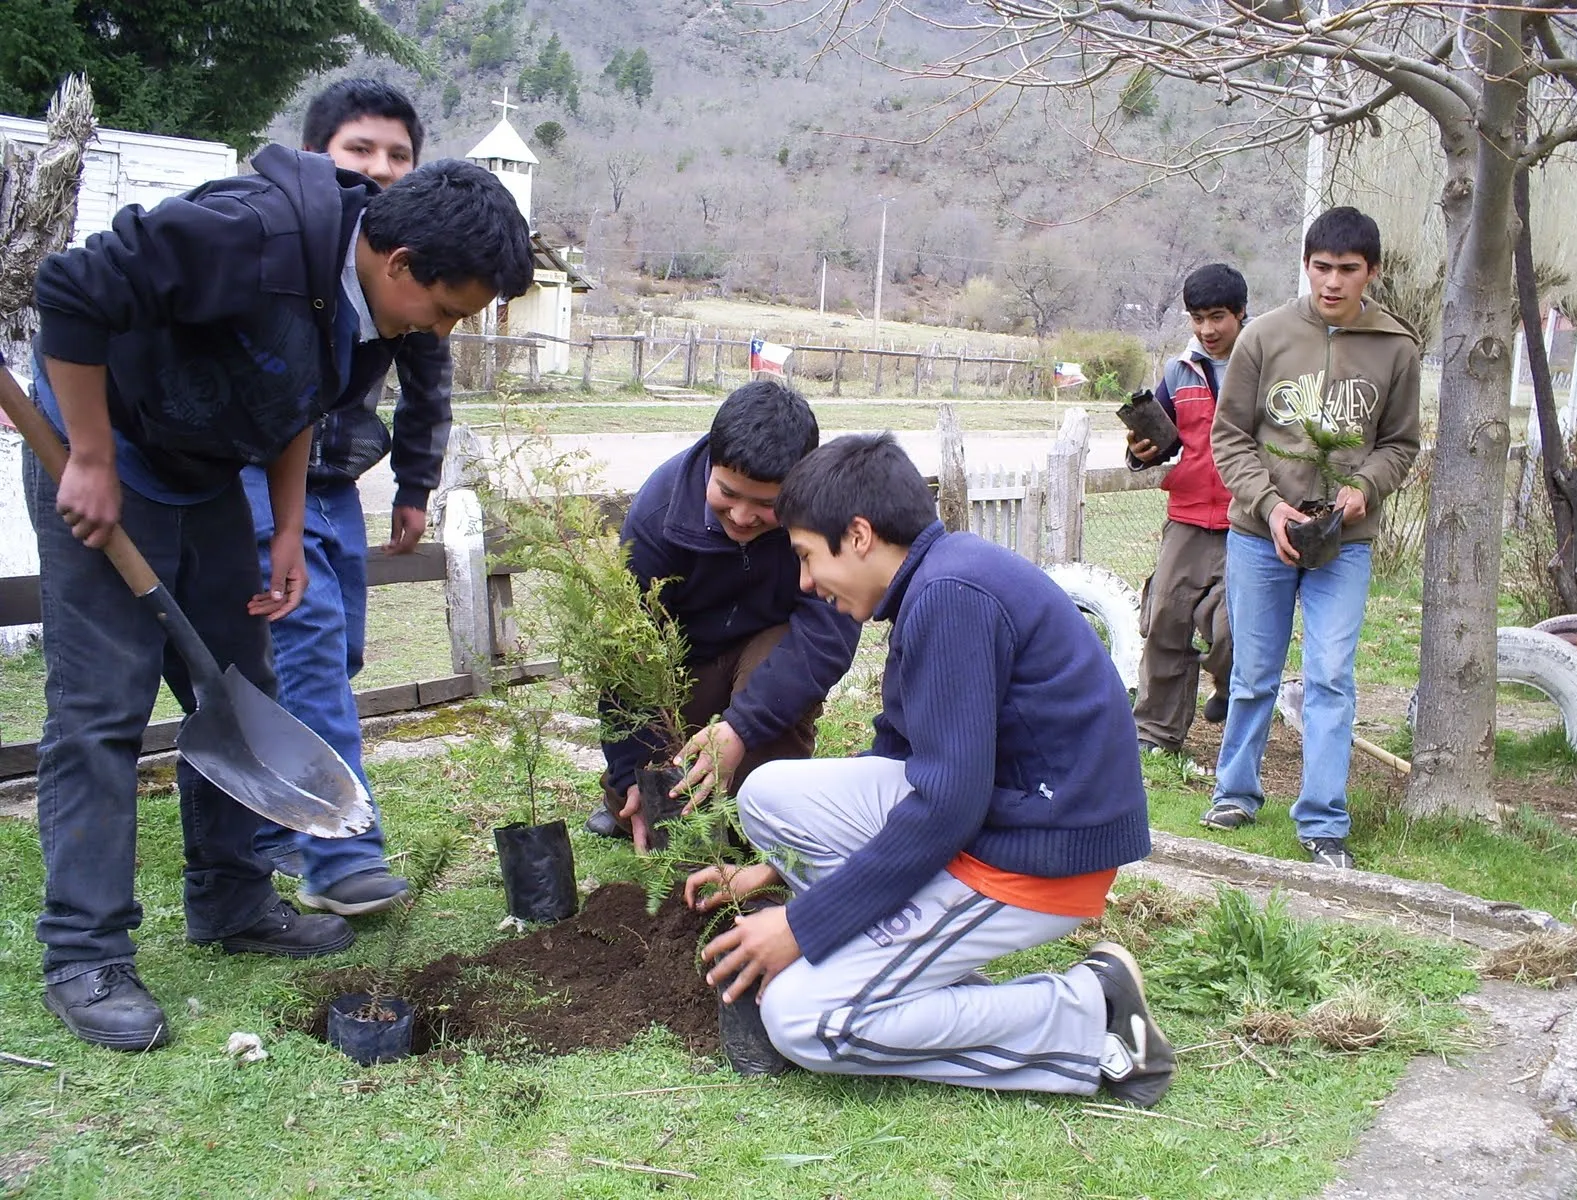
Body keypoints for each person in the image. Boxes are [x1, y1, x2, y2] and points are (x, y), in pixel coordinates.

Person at [26, 148, 533, 1050]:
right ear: (402, 263)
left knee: (236, 688)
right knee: (103, 708)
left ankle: (229, 899)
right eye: (447, 310)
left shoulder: (369, 303)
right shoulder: (246, 234)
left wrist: (290, 525)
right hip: (107, 455)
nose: (443, 333)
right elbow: (69, 291)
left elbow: (302, 399)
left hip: (209, 471)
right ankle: (83, 954)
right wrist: (94, 459)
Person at [687, 433, 1174, 1106]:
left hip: (1034, 859)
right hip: (1000, 817)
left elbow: (945, 805)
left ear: (857, 535)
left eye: (805, 556)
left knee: (803, 1020)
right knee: (769, 796)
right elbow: (904, 758)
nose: (804, 582)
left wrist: (802, 926)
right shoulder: (939, 581)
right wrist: (773, 870)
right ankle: (893, 966)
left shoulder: (952, 596)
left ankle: (1088, 1015)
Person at [248, 80, 455, 917]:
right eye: (359, 150)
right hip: (254, 461)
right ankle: (338, 853)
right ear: (316, 154)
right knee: (306, 638)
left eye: (398, 154)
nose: (380, 168)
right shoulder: (285, 240)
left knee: (342, 652)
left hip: (334, 471)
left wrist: (415, 482)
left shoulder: (412, 258)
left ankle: (273, 822)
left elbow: (427, 370)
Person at [1202, 206, 1420, 869]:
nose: (1332, 282)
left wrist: (1367, 487)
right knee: (1253, 673)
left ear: (1371, 273)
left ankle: (1323, 821)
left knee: (1330, 676)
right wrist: (1268, 507)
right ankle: (1234, 793)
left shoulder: (1397, 348)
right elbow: (1229, 435)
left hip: (1344, 542)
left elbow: (1402, 443)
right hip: (1261, 534)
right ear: (1307, 266)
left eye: (1347, 270)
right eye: (1321, 267)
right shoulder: (1264, 337)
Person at [589, 379, 861, 850]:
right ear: (711, 462)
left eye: (766, 504)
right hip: (683, 666)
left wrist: (742, 726)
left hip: (765, 658)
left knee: (773, 676)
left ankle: (762, 816)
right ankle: (626, 799)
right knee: (655, 804)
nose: (741, 515)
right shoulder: (658, 514)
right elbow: (627, 656)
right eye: (728, 493)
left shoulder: (827, 514)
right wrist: (632, 769)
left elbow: (828, 636)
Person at [1127, 263, 1247, 755]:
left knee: (1232, 628)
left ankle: (1228, 686)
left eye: (1217, 317)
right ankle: (1155, 734)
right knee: (1165, 621)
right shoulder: (1179, 371)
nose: (1207, 330)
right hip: (1188, 515)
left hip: (1250, 520)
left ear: (1242, 314)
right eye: (1197, 318)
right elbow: (1154, 441)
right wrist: (1140, 451)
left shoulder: (1267, 365)